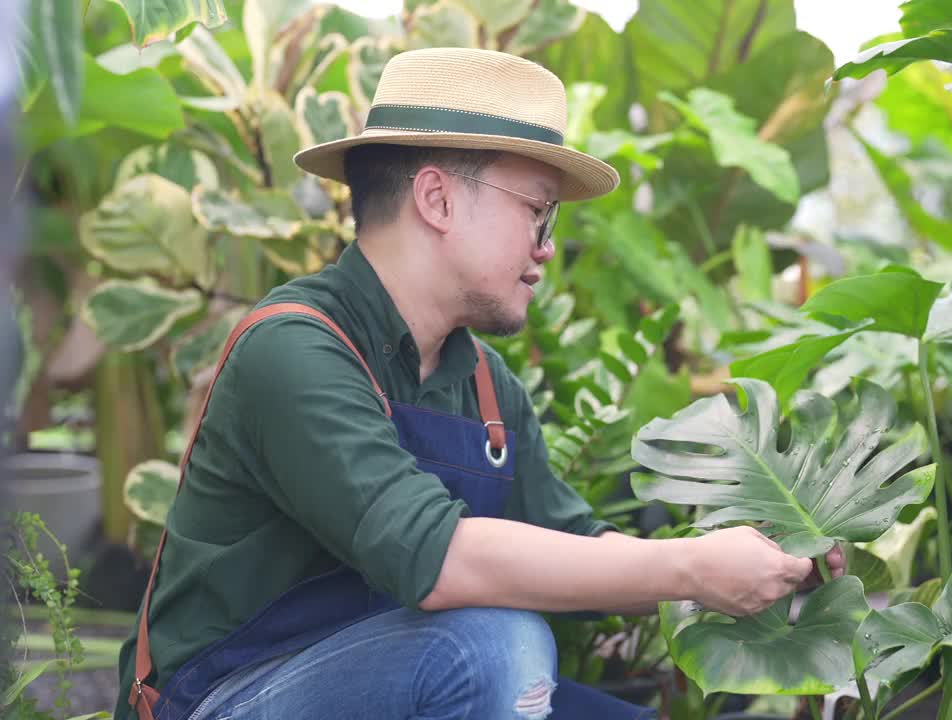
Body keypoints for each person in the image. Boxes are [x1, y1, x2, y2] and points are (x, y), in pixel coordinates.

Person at [114, 47, 844, 720]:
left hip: (412, 678)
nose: (547, 246)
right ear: (435, 199)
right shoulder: (294, 349)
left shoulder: (485, 386)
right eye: (536, 209)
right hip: (228, 695)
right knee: (492, 646)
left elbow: (574, 544)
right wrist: (689, 566)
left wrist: (760, 557)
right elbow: (433, 559)